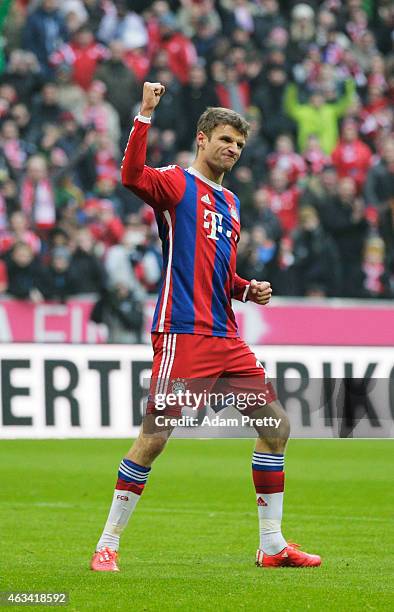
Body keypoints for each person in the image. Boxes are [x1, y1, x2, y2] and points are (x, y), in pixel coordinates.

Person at [90, 82, 321, 572]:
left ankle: (272, 546)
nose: (232, 149)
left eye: (238, 144)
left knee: (275, 427)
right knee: (155, 437)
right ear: (202, 139)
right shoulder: (175, 183)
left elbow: (217, 272)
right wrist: (144, 114)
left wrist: (245, 288)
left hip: (226, 335)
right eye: (224, 140)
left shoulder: (232, 204)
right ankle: (107, 543)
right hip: (183, 331)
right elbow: (131, 175)